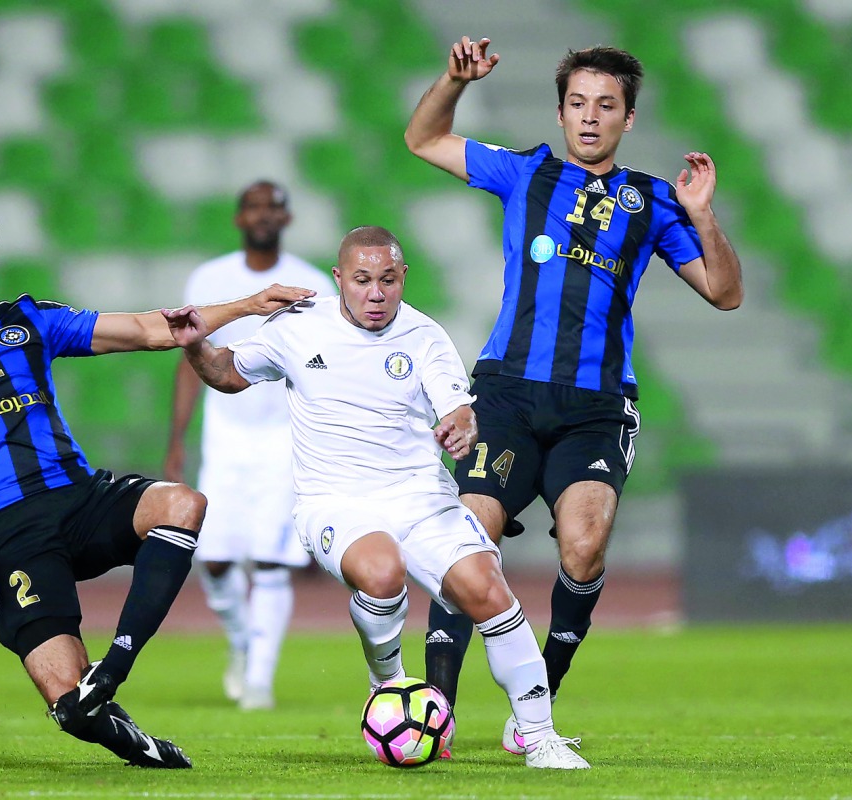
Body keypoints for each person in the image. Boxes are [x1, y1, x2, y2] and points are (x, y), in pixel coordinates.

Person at [0, 204, 314, 769]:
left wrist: (247, 306)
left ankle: (115, 666)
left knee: (181, 503)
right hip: (8, 534)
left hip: (80, 499)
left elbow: (148, 328)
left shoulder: (30, 320)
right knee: (71, 705)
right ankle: (135, 741)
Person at [164, 225, 591, 769]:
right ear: (339, 279)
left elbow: (456, 409)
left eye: (387, 280)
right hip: (334, 500)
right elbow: (226, 374)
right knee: (383, 571)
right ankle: (387, 681)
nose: (375, 292)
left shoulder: (425, 336)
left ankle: (539, 736)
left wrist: (462, 427)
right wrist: (197, 346)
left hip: (419, 495)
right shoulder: (297, 327)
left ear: (403, 278)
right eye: (362, 280)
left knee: (488, 591)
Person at [405, 40, 743, 713]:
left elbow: (725, 292)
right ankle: (435, 709)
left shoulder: (650, 202)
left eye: (606, 106)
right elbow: (424, 138)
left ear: (629, 119)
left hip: (596, 407)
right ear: (561, 114)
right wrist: (452, 80)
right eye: (579, 104)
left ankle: (540, 699)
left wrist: (703, 215)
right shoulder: (523, 173)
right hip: (507, 393)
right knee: (470, 535)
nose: (591, 117)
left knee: (584, 551)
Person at [163, 180, 335, 710]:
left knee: (270, 561)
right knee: (211, 559)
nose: (264, 215)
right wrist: (176, 441)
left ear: (286, 219)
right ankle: (242, 643)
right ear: (239, 218)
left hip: (284, 438)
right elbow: (190, 360)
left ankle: (259, 677)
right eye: (254, 206)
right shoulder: (210, 278)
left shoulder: (306, 283)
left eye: (274, 207)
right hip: (226, 438)